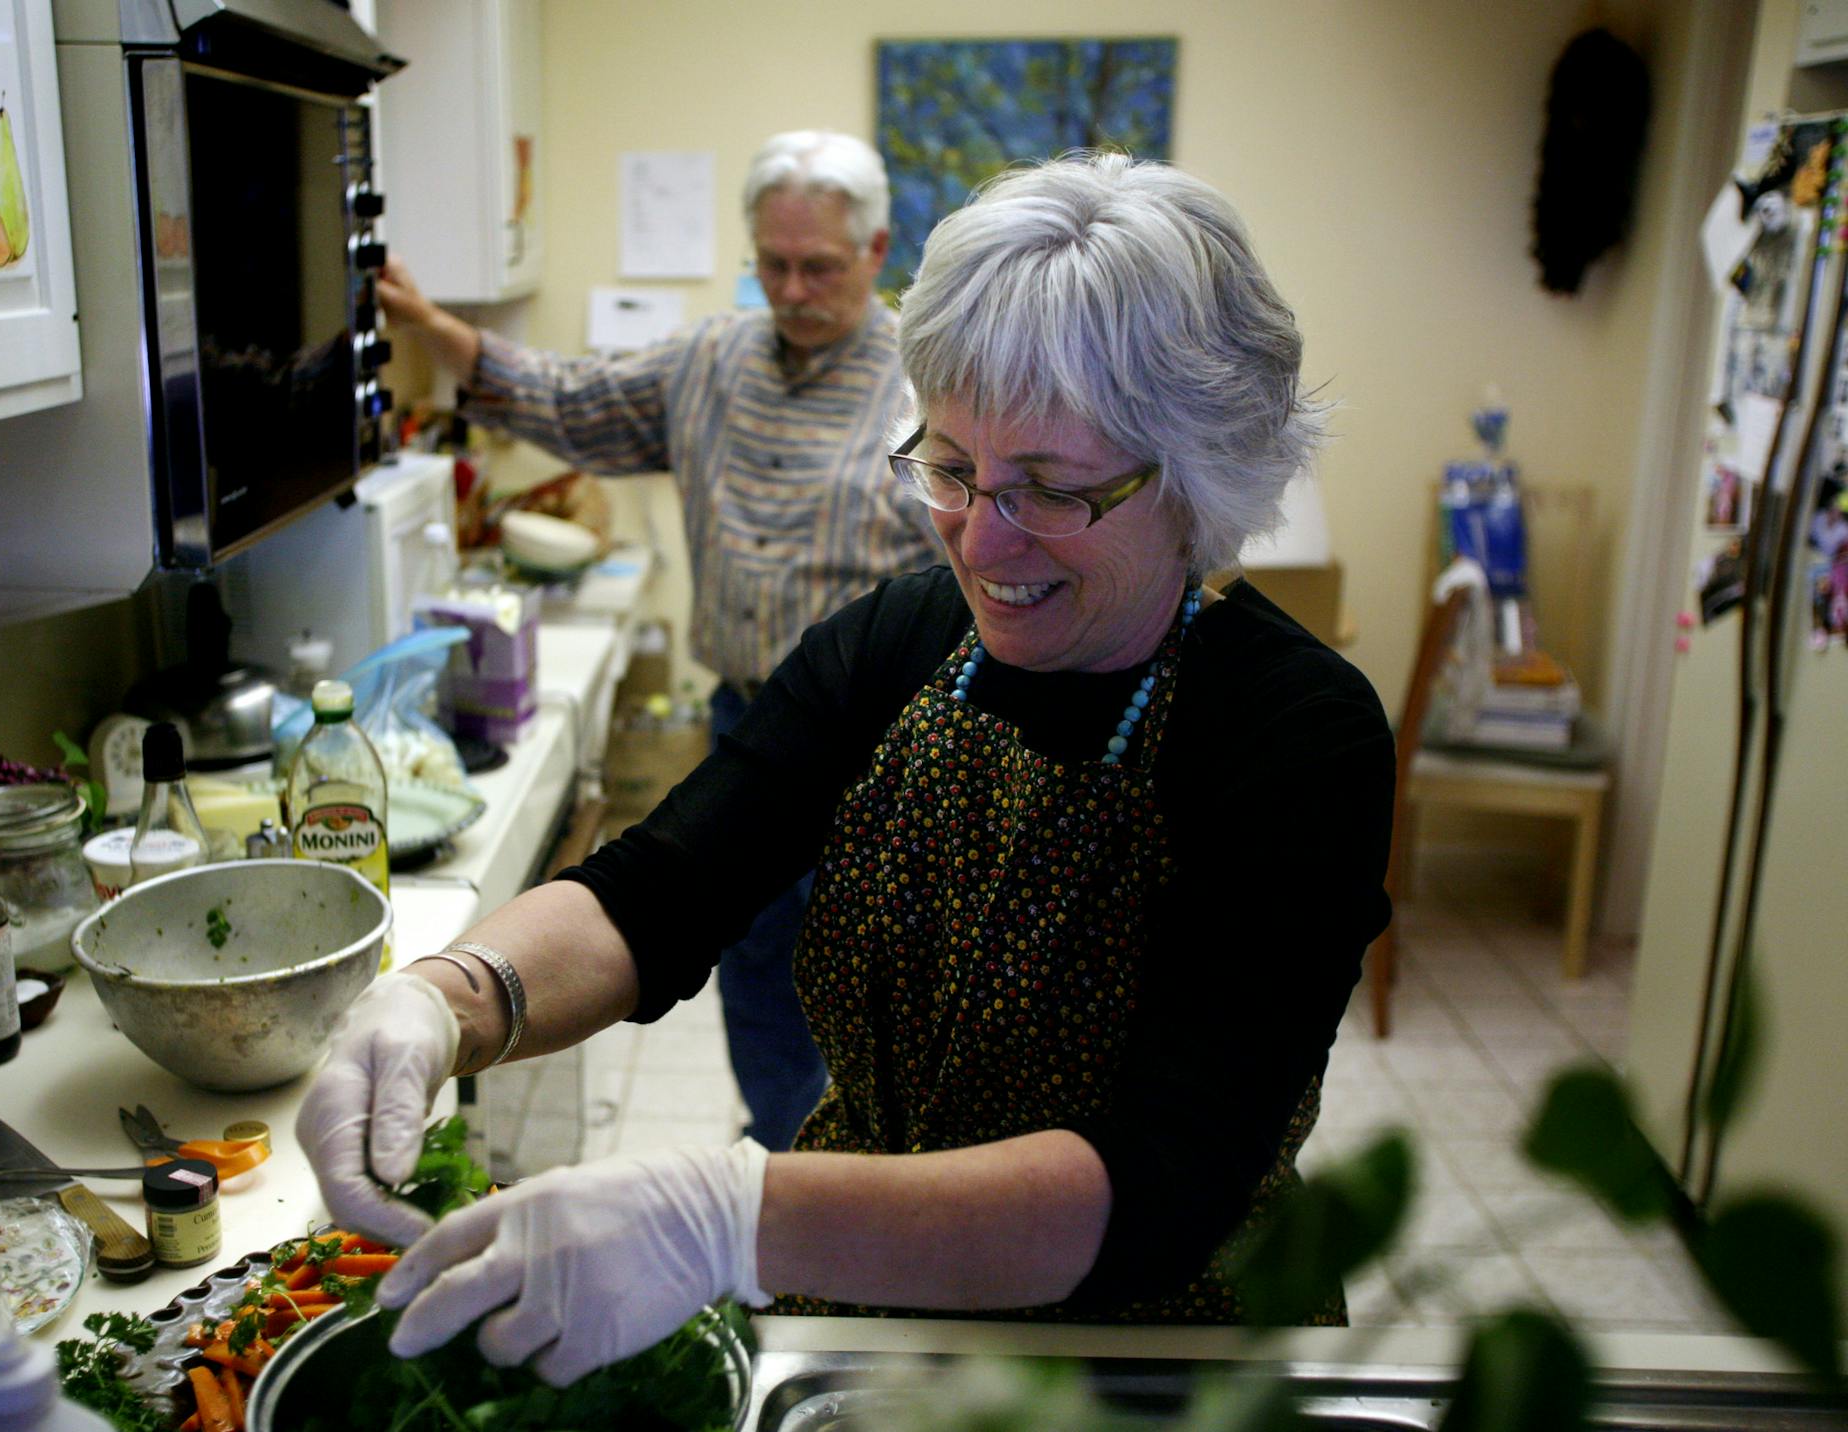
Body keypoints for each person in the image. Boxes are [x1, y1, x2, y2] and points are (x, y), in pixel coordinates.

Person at [301, 151, 1395, 1385]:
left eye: (1048, 489)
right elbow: (664, 890)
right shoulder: (899, 643)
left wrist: (732, 1214)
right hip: (873, 1316)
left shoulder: (1295, 733)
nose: (981, 539)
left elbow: (1159, 1184)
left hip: (1158, 1353)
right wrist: (449, 998)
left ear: (1197, 479)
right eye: (952, 467)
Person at [378, 130, 938, 1152]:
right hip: (752, 726)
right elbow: (571, 400)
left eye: (819, 266)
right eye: (774, 264)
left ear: (876, 250)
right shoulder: (711, 359)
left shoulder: (924, 384)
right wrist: (434, 330)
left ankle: (887, 1180)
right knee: (758, 965)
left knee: (885, 982)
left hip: (892, 750)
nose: (795, 288)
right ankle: (783, 1162)